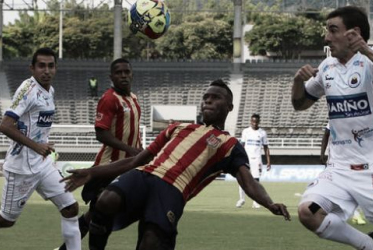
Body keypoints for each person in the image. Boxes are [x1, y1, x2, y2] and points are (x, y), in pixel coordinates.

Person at [62, 79, 290, 250]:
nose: (208, 100)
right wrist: (92, 172)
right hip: (145, 174)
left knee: (151, 243)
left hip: (173, 189)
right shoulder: (178, 127)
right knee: (106, 200)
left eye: (216, 97)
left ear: (230, 107)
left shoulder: (231, 145)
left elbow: (248, 183)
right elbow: (136, 160)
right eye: (206, 97)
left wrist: (270, 203)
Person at [292, 6, 373, 249]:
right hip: (338, 169)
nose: (326, 37)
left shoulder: (369, 61)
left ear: (353, 33)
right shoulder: (327, 67)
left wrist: (368, 52)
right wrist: (298, 81)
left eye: (332, 30)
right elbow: (300, 104)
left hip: (370, 169)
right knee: (309, 212)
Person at [0, 48, 81, 250]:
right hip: (21, 168)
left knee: (70, 208)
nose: (47, 70)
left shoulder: (49, 90)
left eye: (51, 65)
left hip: (42, 165)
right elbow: (5, 126)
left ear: (56, 68)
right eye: (41, 65)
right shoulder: (28, 90)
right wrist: (37, 146)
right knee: (7, 220)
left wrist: (43, 148)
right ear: (32, 68)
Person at [57, 58, 143, 250]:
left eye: (126, 72)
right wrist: (129, 150)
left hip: (128, 167)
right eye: (118, 72)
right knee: (100, 218)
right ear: (111, 76)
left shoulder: (134, 98)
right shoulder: (109, 98)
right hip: (108, 168)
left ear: (131, 74)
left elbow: (133, 131)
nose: (123, 75)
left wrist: (139, 151)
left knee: (94, 215)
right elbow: (101, 132)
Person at [320, 122, 366, 225]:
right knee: (332, 187)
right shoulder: (334, 120)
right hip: (335, 162)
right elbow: (326, 136)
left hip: (353, 161)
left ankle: (356, 214)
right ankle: (340, 213)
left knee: (356, 187)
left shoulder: (357, 120)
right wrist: (322, 153)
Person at [236, 113, 271, 209]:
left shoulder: (262, 133)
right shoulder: (246, 131)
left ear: (258, 122)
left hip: (257, 159)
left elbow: (266, 147)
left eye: (256, 122)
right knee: (242, 178)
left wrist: (268, 161)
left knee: (256, 181)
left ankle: (255, 202)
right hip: (246, 159)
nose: (254, 123)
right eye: (253, 121)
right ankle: (241, 199)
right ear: (251, 121)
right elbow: (241, 146)